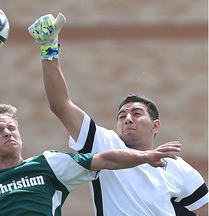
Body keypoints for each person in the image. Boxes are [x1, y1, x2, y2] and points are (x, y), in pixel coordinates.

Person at [28, 13, 209, 216]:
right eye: (122, 116)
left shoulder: (178, 167)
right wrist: (48, 48)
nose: (128, 118)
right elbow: (60, 105)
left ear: (155, 125)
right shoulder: (105, 144)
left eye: (136, 113)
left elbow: (202, 209)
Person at [0, 103, 181, 216]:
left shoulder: (47, 164)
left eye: (12, 128)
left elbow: (105, 159)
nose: (8, 132)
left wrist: (146, 156)